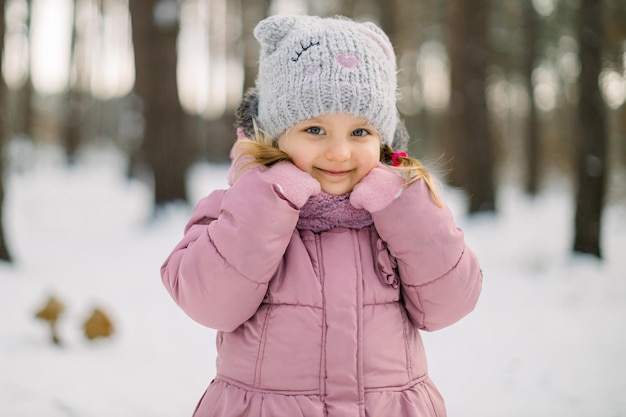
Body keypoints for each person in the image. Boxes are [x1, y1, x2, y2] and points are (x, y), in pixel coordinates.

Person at [161, 15, 482, 417]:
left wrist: (405, 206)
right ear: (276, 135)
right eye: (315, 130)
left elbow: (449, 303)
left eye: (360, 132)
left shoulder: (399, 212)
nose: (339, 153)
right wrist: (269, 198)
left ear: (384, 138)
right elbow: (211, 303)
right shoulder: (239, 206)